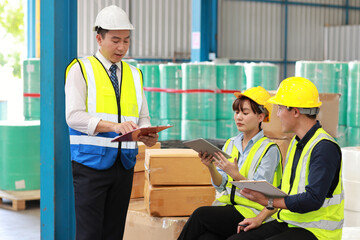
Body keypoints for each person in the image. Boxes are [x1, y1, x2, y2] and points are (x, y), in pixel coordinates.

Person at [65, 5, 158, 240]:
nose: (122, 47)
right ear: (99, 38)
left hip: (124, 165)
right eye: (115, 40)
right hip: (90, 165)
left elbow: (142, 116)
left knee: (114, 234)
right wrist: (113, 126)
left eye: (126, 40)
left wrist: (147, 133)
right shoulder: (81, 69)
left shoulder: (135, 74)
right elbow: (73, 116)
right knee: (89, 235)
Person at [228, 77, 343, 240]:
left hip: (316, 231)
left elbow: (313, 199)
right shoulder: (297, 143)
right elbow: (285, 192)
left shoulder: (324, 148)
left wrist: (268, 201)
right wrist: (259, 219)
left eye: (280, 108)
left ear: (295, 112)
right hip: (289, 221)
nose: (277, 114)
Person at [178, 86, 282, 240]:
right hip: (227, 207)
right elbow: (221, 184)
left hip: (251, 212)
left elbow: (261, 192)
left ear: (261, 117)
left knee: (200, 215)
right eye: (236, 112)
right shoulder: (231, 143)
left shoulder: (269, 149)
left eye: (245, 113)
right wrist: (211, 167)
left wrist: (236, 174)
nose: (238, 117)